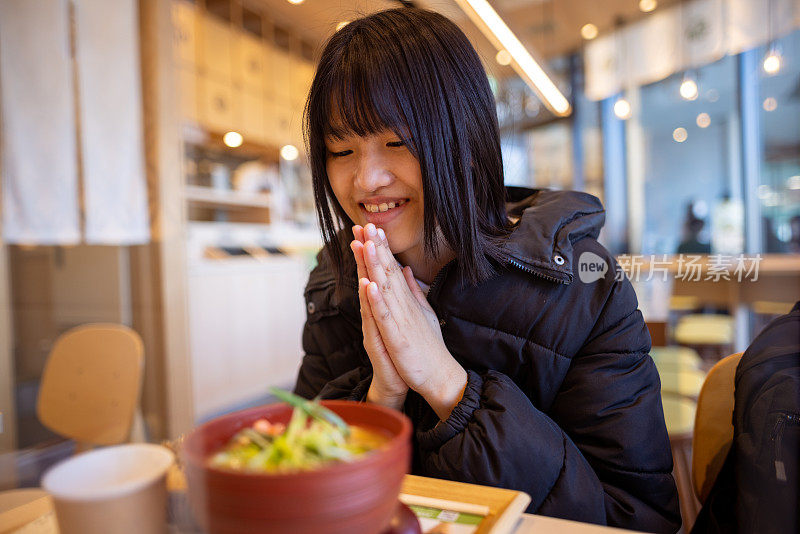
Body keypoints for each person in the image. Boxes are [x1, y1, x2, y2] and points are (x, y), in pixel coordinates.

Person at [293, 8, 680, 533]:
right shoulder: (336, 283)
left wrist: (446, 383)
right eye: (341, 150)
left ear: (466, 140)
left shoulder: (584, 291)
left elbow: (637, 518)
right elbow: (299, 491)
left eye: (396, 142)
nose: (367, 180)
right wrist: (379, 400)